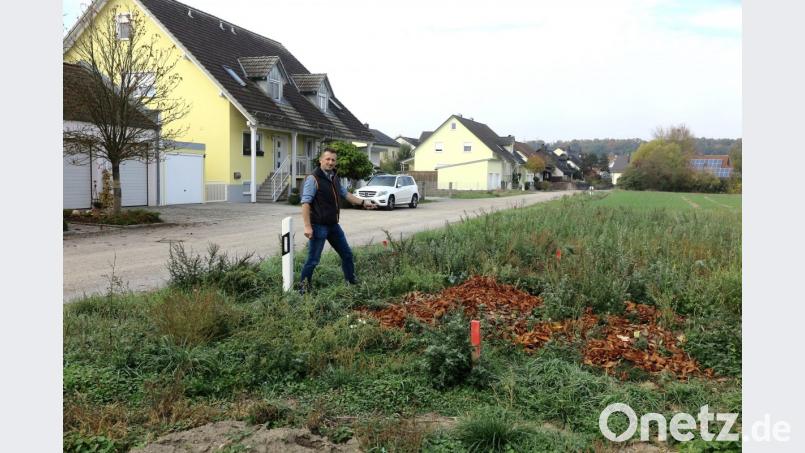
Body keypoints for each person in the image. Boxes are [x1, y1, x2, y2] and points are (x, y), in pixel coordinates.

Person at [298, 148, 376, 293]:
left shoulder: (334, 177)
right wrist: (307, 226)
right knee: (313, 260)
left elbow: (345, 194)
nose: (330, 162)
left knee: (347, 254)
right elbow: (306, 203)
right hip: (318, 226)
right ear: (321, 160)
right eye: (327, 159)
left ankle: (351, 284)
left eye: (333, 160)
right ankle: (303, 290)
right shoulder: (313, 178)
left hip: (333, 226)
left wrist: (363, 202)